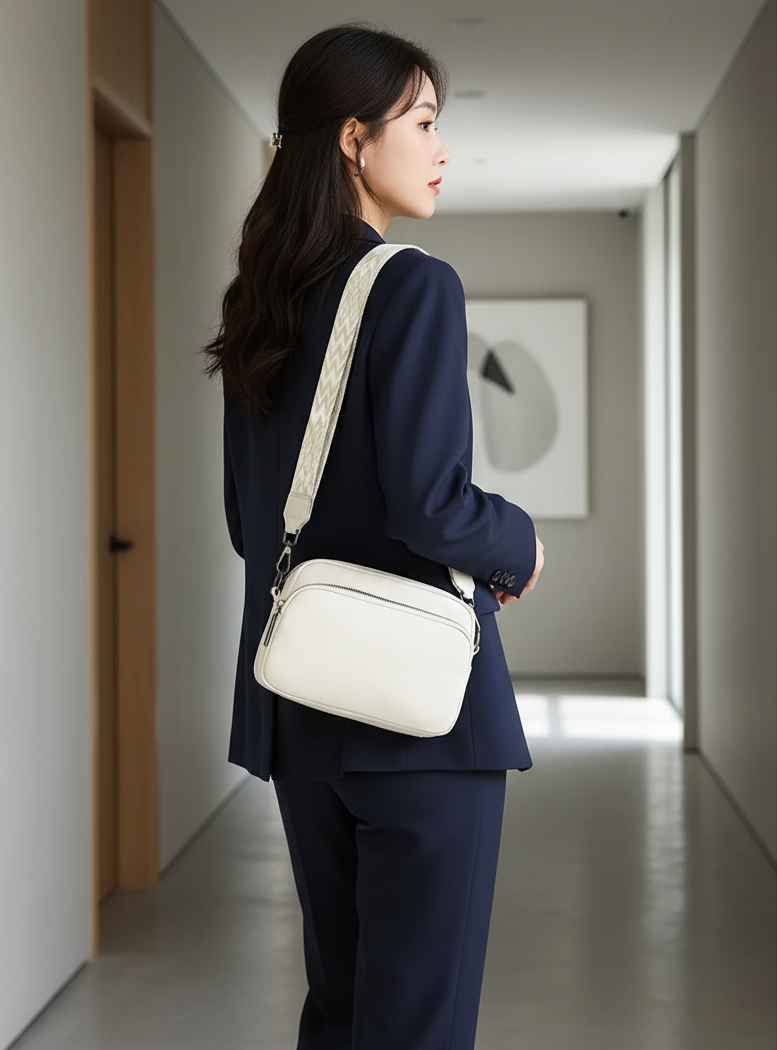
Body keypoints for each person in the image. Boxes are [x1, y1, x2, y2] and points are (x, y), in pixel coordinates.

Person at [205, 23, 544, 1050]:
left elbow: (244, 522)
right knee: (419, 1025)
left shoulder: (261, 300)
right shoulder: (411, 284)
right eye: (426, 122)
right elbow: (435, 507)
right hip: (420, 720)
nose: (444, 149)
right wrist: (517, 544)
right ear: (354, 139)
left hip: (302, 713)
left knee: (344, 1009)